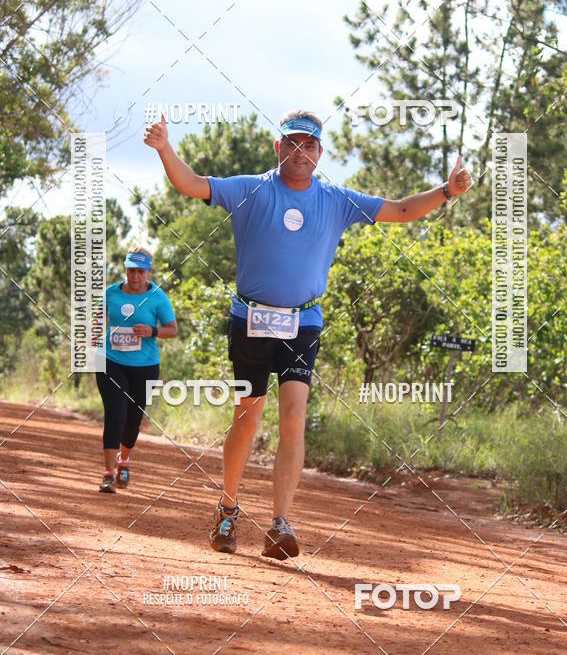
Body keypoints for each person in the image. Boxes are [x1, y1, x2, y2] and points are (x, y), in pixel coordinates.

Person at [143, 110, 471, 557]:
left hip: (304, 322)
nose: (300, 152)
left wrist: (447, 191)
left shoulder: (335, 200)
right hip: (251, 320)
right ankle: (227, 508)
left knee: (294, 415)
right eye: (292, 143)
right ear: (278, 148)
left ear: (319, 153)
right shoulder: (250, 190)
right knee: (248, 415)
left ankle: (280, 523)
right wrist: (165, 148)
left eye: (309, 145)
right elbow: (192, 183)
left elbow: (399, 209)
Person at [96, 246, 178, 493]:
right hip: (110, 362)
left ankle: (124, 460)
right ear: (125, 269)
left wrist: (152, 331)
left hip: (144, 366)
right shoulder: (110, 294)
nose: (135, 277)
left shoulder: (157, 297)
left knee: (133, 419)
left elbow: (172, 329)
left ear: (148, 272)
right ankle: (109, 474)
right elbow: (97, 322)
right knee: (115, 414)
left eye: (140, 272)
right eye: (131, 270)